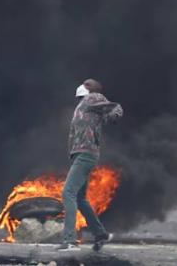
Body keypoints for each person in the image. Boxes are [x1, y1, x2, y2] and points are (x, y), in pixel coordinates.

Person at [57, 79, 123, 252]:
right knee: (80, 198)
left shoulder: (93, 97)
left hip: (86, 154)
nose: (82, 85)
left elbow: (115, 108)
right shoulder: (83, 105)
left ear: (93, 90)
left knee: (68, 193)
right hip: (81, 154)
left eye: (87, 84)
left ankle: (69, 241)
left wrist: (113, 116)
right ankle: (101, 234)